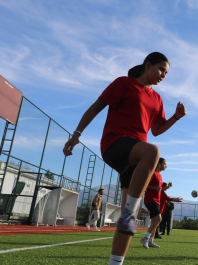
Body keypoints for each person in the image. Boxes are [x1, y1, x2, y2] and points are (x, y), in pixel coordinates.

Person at [62, 52, 186, 265]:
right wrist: (76, 135)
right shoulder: (124, 84)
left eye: (166, 73)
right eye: (160, 70)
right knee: (153, 153)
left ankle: (115, 261)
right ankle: (129, 212)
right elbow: (95, 108)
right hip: (115, 143)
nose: (163, 75)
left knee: (128, 220)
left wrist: (175, 117)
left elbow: (156, 130)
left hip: (136, 158)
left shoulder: (157, 99)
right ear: (148, 65)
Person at [140, 158, 174, 248]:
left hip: (156, 200)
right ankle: (145, 238)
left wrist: (166, 187)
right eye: (165, 164)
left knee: (155, 221)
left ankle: (151, 241)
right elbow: (145, 184)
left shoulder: (159, 175)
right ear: (159, 164)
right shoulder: (152, 173)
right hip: (151, 200)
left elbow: (159, 190)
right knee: (158, 219)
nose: (166, 166)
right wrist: (155, 188)